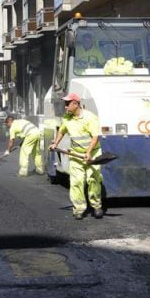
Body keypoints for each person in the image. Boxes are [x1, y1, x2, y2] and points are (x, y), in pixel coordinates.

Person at [48, 92, 104, 220]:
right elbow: (62, 131)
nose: (65, 107)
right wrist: (55, 143)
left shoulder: (90, 118)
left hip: (92, 154)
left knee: (93, 180)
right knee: (76, 182)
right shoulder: (67, 118)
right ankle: (79, 208)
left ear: (75, 103)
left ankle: (96, 206)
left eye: (67, 104)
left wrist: (88, 153)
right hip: (75, 154)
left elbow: (95, 137)